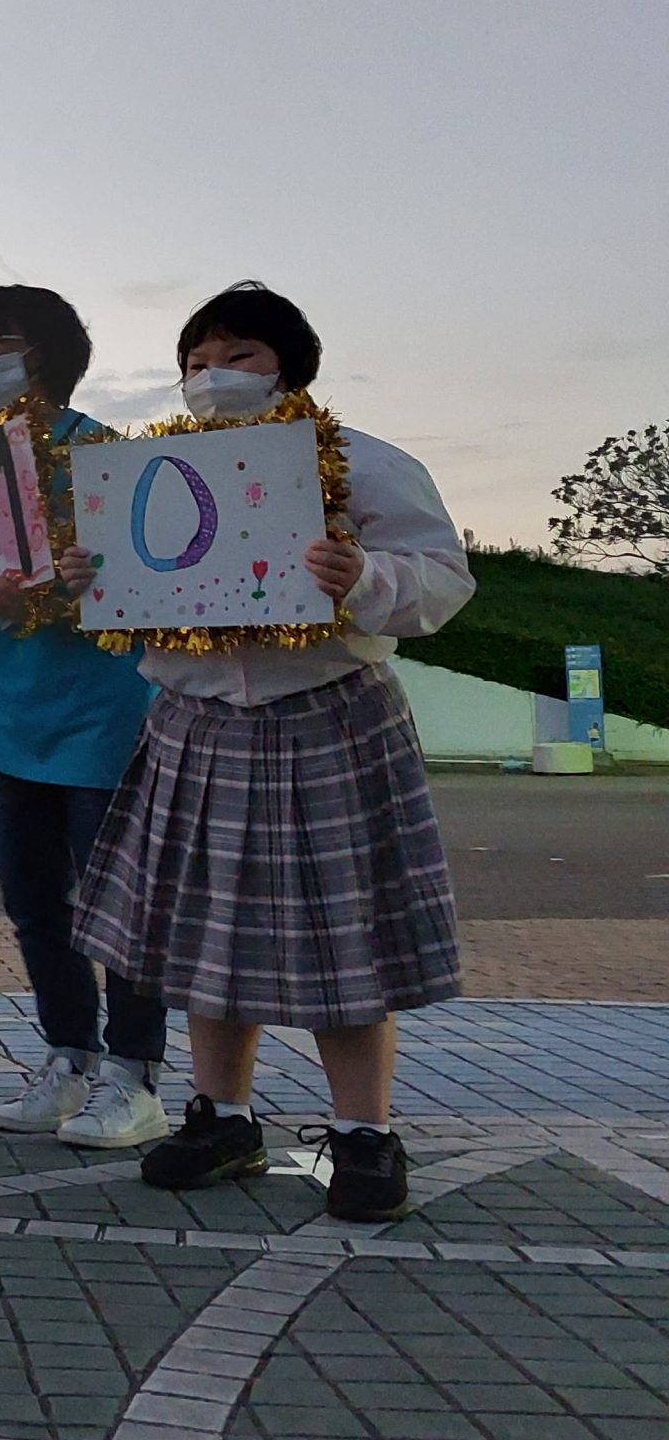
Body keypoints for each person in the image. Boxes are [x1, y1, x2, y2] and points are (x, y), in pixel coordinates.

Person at [69, 285, 471, 1223]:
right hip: (195, 719)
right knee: (202, 934)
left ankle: (364, 1133)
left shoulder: (364, 463)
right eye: (199, 358)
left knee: (349, 930)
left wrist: (364, 577)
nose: (215, 375)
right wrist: (93, 581)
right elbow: (128, 596)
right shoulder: (146, 473)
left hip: (328, 713)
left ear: (291, 366)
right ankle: (223, 1117)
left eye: (239, 355)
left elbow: (444, 579)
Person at [0, 286, 170, 1150]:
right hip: (7, 721)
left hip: (105, 716)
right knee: (35, 909)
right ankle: (68, 1058)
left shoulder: (104, 457)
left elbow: (153, 584)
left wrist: (89, 579)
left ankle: (135, 1075)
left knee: (118, 909)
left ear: (48, 350)